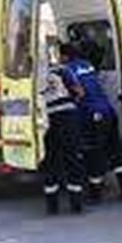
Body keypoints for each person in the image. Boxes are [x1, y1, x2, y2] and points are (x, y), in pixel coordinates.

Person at [61, 43, 122, 203]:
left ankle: (95, 194)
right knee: (115, 150)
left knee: (93, 153)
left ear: (65, 56)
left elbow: (79, 92)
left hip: (91, 114)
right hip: (108, 110)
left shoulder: (66, 70)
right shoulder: (87, 65)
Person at [39, 46, 86, 215]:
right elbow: (79, 91)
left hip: (47, 120)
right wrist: (74, 100)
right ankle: (76, 204)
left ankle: (52, 206)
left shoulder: (34, 75)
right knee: (72, 158)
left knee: (50, 160)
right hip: (67, 117)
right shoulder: (63, 70)